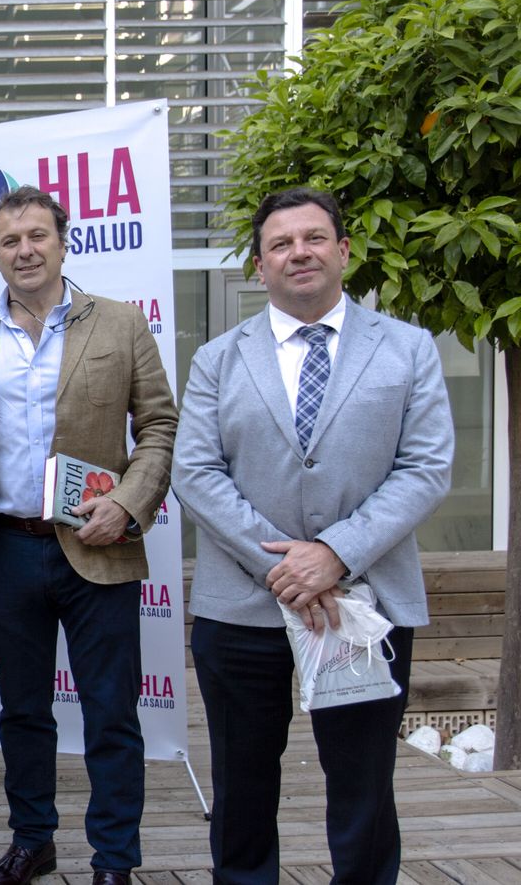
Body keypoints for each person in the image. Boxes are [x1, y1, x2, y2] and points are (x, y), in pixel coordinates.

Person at [173, 187, 454, 884]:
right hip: (241, 605)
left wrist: (335, 555)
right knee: (240, 786)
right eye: (280, 243)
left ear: (344, 251)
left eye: (314, 237)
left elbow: (426, 468)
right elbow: (195, 472)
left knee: (363, 785)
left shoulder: (409, 349)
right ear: (260, 266)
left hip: (364, 604)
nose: (298, 251)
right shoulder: (217, 359)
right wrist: (285, 566)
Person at [0, 186, 177, 885]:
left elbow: (158, 427)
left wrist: (129, 504)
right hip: (5, 548)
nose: (25, 250)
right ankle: (32, 839)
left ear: (63, 240)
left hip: (100, 545)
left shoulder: (122, 325)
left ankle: (113, 860)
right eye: (10, 241)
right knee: (22, 710)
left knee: (110, 713)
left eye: (36, 235)